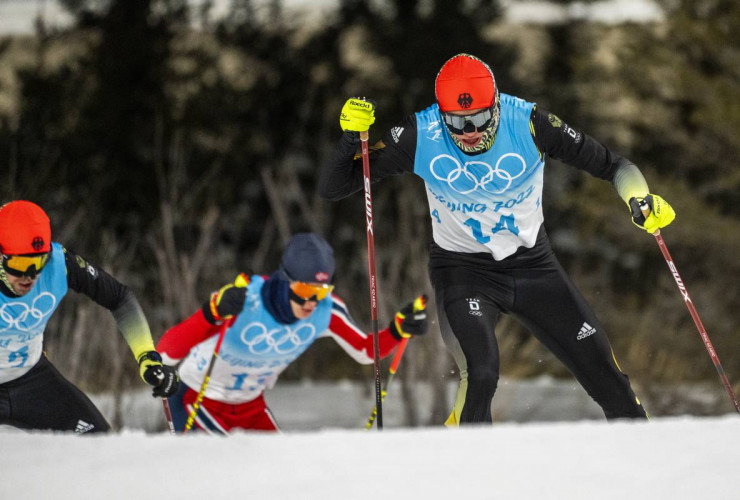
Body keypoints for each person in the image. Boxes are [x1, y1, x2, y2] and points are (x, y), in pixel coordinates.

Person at [319, 53, 676, 425]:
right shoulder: (421, 134)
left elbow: (615, 166)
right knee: (482, 373)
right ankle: (469, 469)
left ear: (497, 107)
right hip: (463, 271)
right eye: (456, 123)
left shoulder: (530, 123)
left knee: (607, 376)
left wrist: (640, 200)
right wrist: (350, 138)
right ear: (441, 115)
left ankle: (643, 468)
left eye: (478, 119)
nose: (469, 132)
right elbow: (336, 186)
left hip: (534, 267)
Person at [157, 232, 428, 434]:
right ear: (284, 280)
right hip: (196, 398)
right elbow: (167, 352)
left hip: (250, 407)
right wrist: (212, 312)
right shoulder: (244, 299)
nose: (311, 302)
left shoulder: (326, 312)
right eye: (303, 292)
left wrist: (398, 329)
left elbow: (366, 351)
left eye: (321, 292)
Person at [0, 200, 179, 433]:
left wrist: (147, 356)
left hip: (32, 379)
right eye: (20, 264)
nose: (30, 276)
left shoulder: (59, 264)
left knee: (100, 444)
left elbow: (120, 298)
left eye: (37, 262)